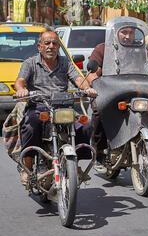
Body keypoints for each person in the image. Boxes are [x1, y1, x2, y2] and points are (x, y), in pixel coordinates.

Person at [14, 29, 98, 185]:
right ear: (39, 47)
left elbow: (79, 78)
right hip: (39, 106)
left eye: (54, 43)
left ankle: (75, 165)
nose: (51, 46)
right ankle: (27, 166)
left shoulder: (65, 63)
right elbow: (20, 81)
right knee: (30, 126)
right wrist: (21, 90)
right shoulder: (30, 63)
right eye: (47, 43)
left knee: (85, 124)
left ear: (59, 47)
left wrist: (87, 89)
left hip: (63, 107)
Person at [87, 24, 148, 171]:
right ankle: (99, 152)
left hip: (136, 90)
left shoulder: (140, 48)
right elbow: (92, 73)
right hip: (111, 92)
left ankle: (147, 146)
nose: (128, 36)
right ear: (115, 33)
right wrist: (96, 87)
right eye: (124, 32)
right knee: (98, 109)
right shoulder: (103, 49)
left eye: (131, 33)